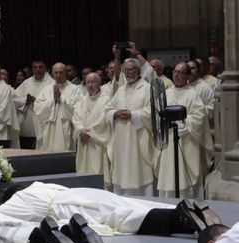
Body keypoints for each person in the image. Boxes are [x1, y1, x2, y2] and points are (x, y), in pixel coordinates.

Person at [0, 180, 215, 238]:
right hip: (84, 193)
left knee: (125, 219)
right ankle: (188, 211)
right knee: (128, 204)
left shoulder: (17, 201)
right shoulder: (39, 185)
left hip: (70, 207)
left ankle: (180, 219)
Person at [157, 62, 211, 199]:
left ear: (187, 76)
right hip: (168, 141)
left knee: (183, 176)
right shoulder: (166, 93)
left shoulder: (193, 95)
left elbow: (200, 117)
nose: (176, 75)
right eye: (175, 71)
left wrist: (179, 123)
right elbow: (157, 113)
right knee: (169, 176)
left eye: (180, 72)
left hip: (186, 142)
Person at [103, 55, 155, 196]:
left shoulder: (147, 88)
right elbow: (107, 109)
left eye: (131, 69)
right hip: (121, 140)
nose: (128, 73)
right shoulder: (121, 90)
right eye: (125, 70)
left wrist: (134, 114)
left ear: (138, 71)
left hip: (138, 140)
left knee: (138, 172)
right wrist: (115, 113)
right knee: (121, 172)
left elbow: (153, 111)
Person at [72, 70, 112, 176]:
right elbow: (76, 119)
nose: (90, 85)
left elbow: (104, 118)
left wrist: (89, 133)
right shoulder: (81, 102)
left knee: (98, 172)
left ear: (99, 83)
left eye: (93, 82)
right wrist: (81, 131)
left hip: (98, 141)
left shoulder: (106, 100)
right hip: (84, 142)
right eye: (88, 82)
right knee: (84, 172)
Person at [35, 63, 78, 152]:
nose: (58, 75)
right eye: (56, 73)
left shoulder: (75, 89)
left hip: (66, 127)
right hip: (49, 128)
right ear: (52, 74)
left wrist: (61, 99)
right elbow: (38, 108)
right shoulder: (46, 89)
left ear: (66, 73)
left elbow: (78, 109)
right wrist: (52, 100)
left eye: (61, 72)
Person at [13, 60, 50, 148]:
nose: (38, 70)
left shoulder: (51, 83)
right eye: (35, 67)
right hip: (26, 127)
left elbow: (53, 104)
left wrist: (36, 101)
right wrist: (25, 101)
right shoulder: (26, 83)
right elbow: (15, 99)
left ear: (45, 68)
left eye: (40, 67)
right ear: (32, 69)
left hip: (44, 127)